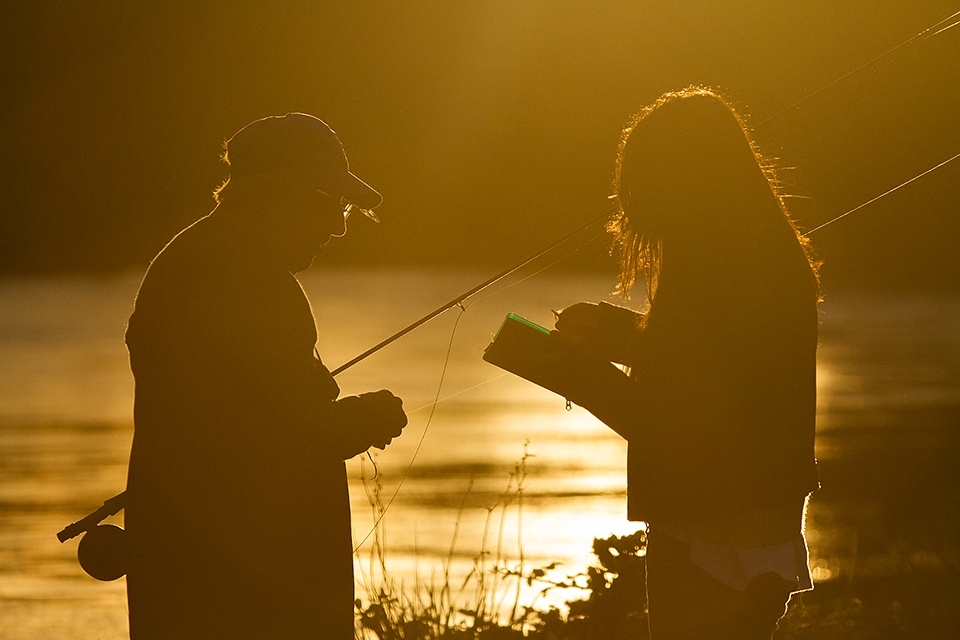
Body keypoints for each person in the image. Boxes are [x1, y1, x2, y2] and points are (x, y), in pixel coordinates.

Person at [124, 113, 408, 639]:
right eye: (331, 202)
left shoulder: (200, 258)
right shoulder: (247, 280)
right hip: (247, 590)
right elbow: (279, 437)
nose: (339, 225)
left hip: (191, 575)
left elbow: (240, 418)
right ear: (280, 193)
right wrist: (365, 418)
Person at [553, 87, 821, 639]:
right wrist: (612, 330)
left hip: (709, 532)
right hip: (764, 528)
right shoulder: (765, 253)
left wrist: (569, 372)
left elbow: (674, 415)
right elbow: (707, 365)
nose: (638, 210)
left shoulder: (712, 268)